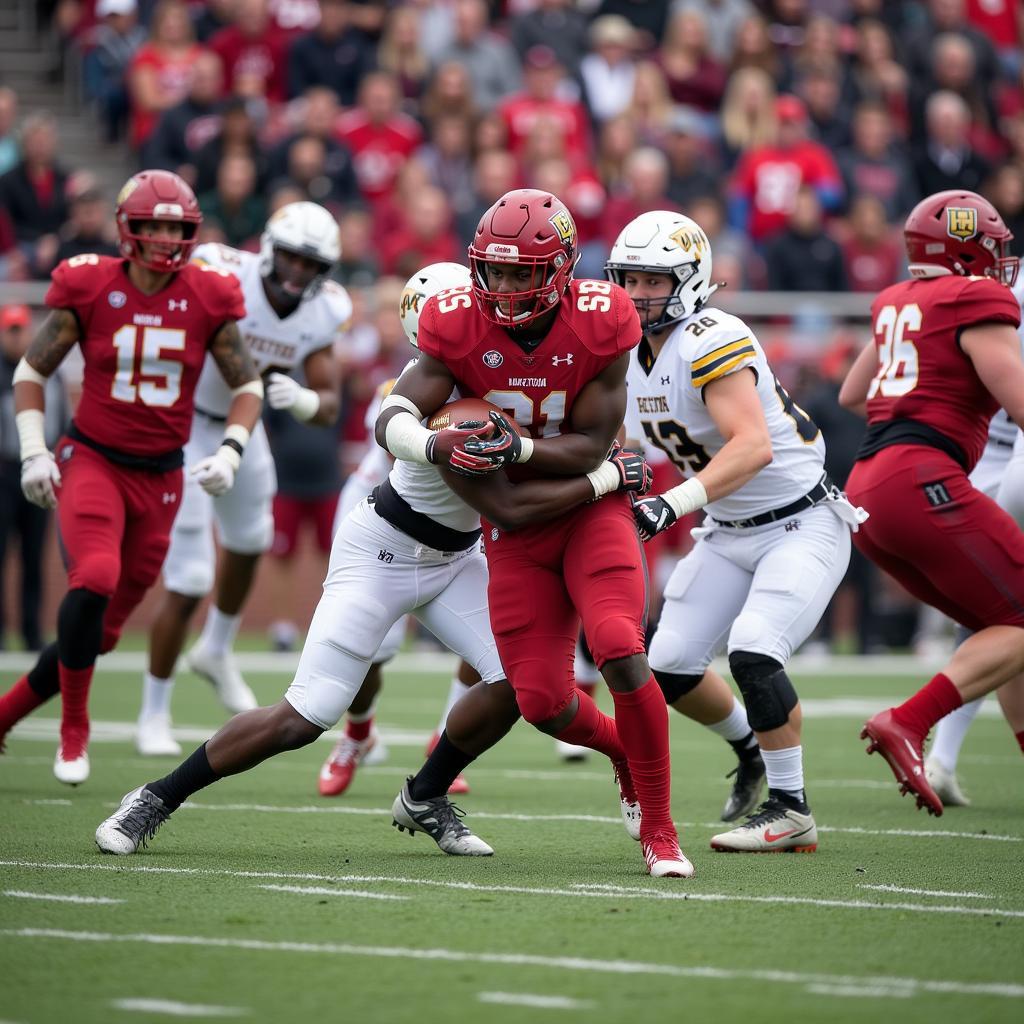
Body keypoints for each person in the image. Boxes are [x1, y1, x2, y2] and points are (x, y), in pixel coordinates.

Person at [94, 257, 650, 857]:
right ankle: (154, 798)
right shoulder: (446, 400)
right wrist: (605, 478)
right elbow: (512, 509)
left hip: (457, 557)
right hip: (384, 552)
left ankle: (426, 794)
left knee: (519, 681)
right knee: (304, 717)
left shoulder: (507, 367)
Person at [374, 189, 694, 878]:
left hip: (589, 514)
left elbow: (588, 446)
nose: (508, 286)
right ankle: (625, 755)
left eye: (525, 272)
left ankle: (661, 831)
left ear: (563, 268)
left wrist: (516, 450)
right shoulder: (454, 322)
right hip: (519, 529)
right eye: (496, 271)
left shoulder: (602, 318)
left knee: (617, 645)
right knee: (543, 702)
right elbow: (392, 414)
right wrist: (433, 446)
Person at [611, 211, 866, 850]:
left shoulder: (710, 334)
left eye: (652, 280)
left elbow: (753, 446)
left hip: (800, 521)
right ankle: (752, 749)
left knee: (754, 649)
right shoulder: (626, 350)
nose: (638, 293)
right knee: (666, 665)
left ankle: (792, 809)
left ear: (690, 280)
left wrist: (670, 504)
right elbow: (620, 441)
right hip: (728, 529)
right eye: (629, 279)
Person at [0, 169, 263, 783]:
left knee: (104, 633)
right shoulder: (91, 285)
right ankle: (73, 729)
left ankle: (5, 716)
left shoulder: (207, 293)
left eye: (178, 226)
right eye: (157, 225)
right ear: (129, 228)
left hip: (163, 479)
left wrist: (230, 450)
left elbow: (247, 385)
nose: (168, 237)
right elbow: (31, 373)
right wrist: (36, 450)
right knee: (93, 577)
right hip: (92, 458)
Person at [136, 201, 348, 757]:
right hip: (180, 425)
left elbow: (329, 404)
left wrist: (301, 398)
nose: (298, 273)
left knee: (251, 539)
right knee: (189, 576)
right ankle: (152, 712)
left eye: (311, 265)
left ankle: (216, 648)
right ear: (269, 249)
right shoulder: (220, 271)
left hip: (243, 426)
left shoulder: (322, 311)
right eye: (292, 259)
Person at [839, 189, 1024, 816]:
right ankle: (908, 721)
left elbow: (850, 392)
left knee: (1003, 623)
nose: (1002, 263)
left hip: (868, 484)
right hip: (922, 477)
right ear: (969, 252)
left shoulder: (896, 301)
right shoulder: (978, 298)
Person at [0, 305, 70, 652]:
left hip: (39, 471)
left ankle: (31, 632)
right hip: (2, 472)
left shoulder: (50, 374)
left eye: (21, 329)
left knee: (33, 557)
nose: (17, 336)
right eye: (11, 330)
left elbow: (62, 421)